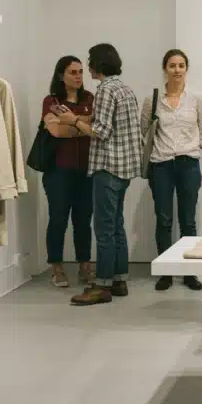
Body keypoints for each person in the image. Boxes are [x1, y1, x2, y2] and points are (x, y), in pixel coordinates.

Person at [55, 43, 142, 306]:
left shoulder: (104, 90)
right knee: (116, 226)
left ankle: (102, 285)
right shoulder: (124, 88)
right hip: (125, 167)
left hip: (107, 166)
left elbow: (102, 132)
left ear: (98, 64)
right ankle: (119, 278)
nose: (87, 67)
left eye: (89, 61)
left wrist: (74, 121)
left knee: (104, 229)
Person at [143, 49, 202, 291]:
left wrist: (190, 149)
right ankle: (166, 272)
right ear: (165, 69)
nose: (177, 70)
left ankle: (190, 273)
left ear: (186, 69)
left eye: (181, 65)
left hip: (188, 163)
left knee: (188, 220)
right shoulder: (153, 99)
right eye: (172, 65)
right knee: (164, 219)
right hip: (160, 165)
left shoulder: (197, 98)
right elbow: (145, 130)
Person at [40, 56, 95, 288]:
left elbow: (95, 127)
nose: (78, 76)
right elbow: (56, 131)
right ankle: (57, 266)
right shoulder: (51, 100)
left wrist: (71, 121)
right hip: (58, 171)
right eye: (73, 72)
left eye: (81, 71)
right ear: (61, 75)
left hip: (86, 171)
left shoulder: (90, 98)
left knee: (83, 220)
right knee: (58, 218)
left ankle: (84, 265)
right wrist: (81, 125)